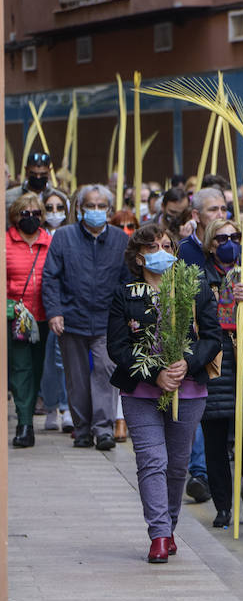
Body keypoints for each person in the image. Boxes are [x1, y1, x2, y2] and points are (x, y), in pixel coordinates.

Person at [107, 224, 222, 562]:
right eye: (153, 245)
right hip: (141, 393)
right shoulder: (125, 293)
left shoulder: (193, 287)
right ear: (139, 255)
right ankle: (158, 533)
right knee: (152, 461)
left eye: (167, 245)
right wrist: (156, 374)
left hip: (188, 392)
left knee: (176, 465)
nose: (161, 250)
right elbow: (116, 346)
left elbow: (212, 336)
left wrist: (186, 364)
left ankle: (169, 524)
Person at [41, 183, 129, 450]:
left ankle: (103, 428)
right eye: (90, 205)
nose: (95, 211)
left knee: (105, 371)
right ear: (79, 208)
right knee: (76, 377)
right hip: (71, 318)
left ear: (110, 210)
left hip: (106, 320)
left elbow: (126, 281)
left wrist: (125, 316)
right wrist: (55, 311)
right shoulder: (64, 237)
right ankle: (81, 429)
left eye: (101, 206)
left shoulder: (120, 239)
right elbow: (50, 277)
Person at [197, 217, 243, 528]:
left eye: (235, 236)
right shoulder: (200, 278)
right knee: (216, 438)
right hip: (214, 359)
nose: (229, 243)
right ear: (210, 244)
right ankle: (222, 504)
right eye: (222, 238)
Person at [7, 192, 52, 448]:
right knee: (22, 368)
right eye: (26, 214)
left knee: (37, 368)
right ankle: (25, 424)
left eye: (36, 214)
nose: (31, 218)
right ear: (16, 215)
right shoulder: (6, 242)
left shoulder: (50, 242)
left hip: (44, 317)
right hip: (15, 317)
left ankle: (28, 416)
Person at [39, 189, 72, 433]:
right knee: (47, 361)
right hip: (39, 307)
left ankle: (66, 407)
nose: (54, 213)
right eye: (48, 208)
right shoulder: (38, 236)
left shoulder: (72, 236)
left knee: (64, 361)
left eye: (59, 208)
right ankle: (51, 406)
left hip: (67, 305)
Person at [177, 187, 228, 269]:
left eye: (224, 209)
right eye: (213, 210)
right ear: (196, 215)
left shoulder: (233, 246)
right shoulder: (181, 250)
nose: (221, 215)